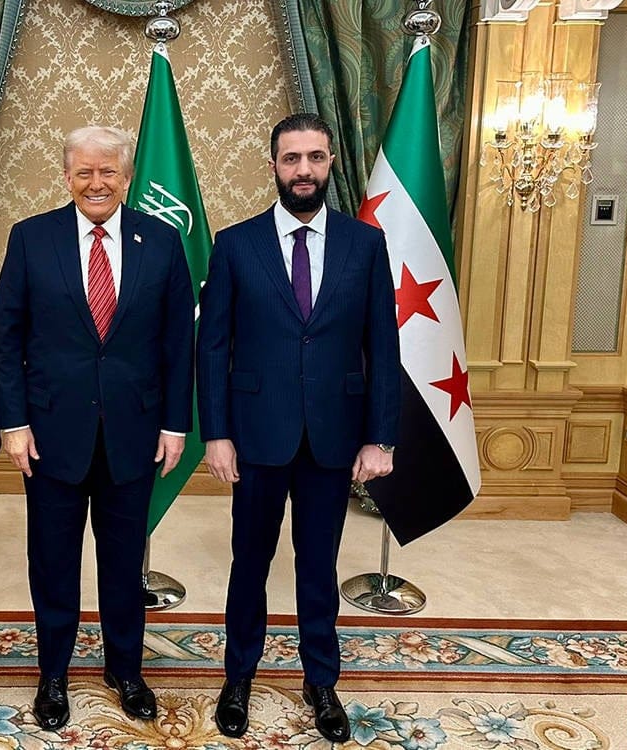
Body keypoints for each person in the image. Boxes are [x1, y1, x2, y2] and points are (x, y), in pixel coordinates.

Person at [197, 113, 400, 742]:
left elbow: (383, 346)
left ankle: (321, 681)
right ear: (274, 167)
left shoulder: (365, 245)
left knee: (319, 566)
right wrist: (216, 433)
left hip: (333, 437)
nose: (303, 170)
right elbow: (213, 346)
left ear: (330, 162)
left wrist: (380, 436)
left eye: (314, 157)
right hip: (256, 435)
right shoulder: (235, 244)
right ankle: (238, 678)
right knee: (249, 564)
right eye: (291, 159)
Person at [0, 126, 194, 730]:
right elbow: (6, 340)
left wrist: (175, 424)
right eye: (84, 172)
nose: (96, 183)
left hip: (134, 433)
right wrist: (13, 423)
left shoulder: (162, 240)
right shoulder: (31, 238)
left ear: (126, 177)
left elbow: (178, 342)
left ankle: (125, 670)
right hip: (50, 434)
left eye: (108, 172)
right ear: (67, 177)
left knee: (124, 561)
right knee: (53, 561)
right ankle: (53, 673)